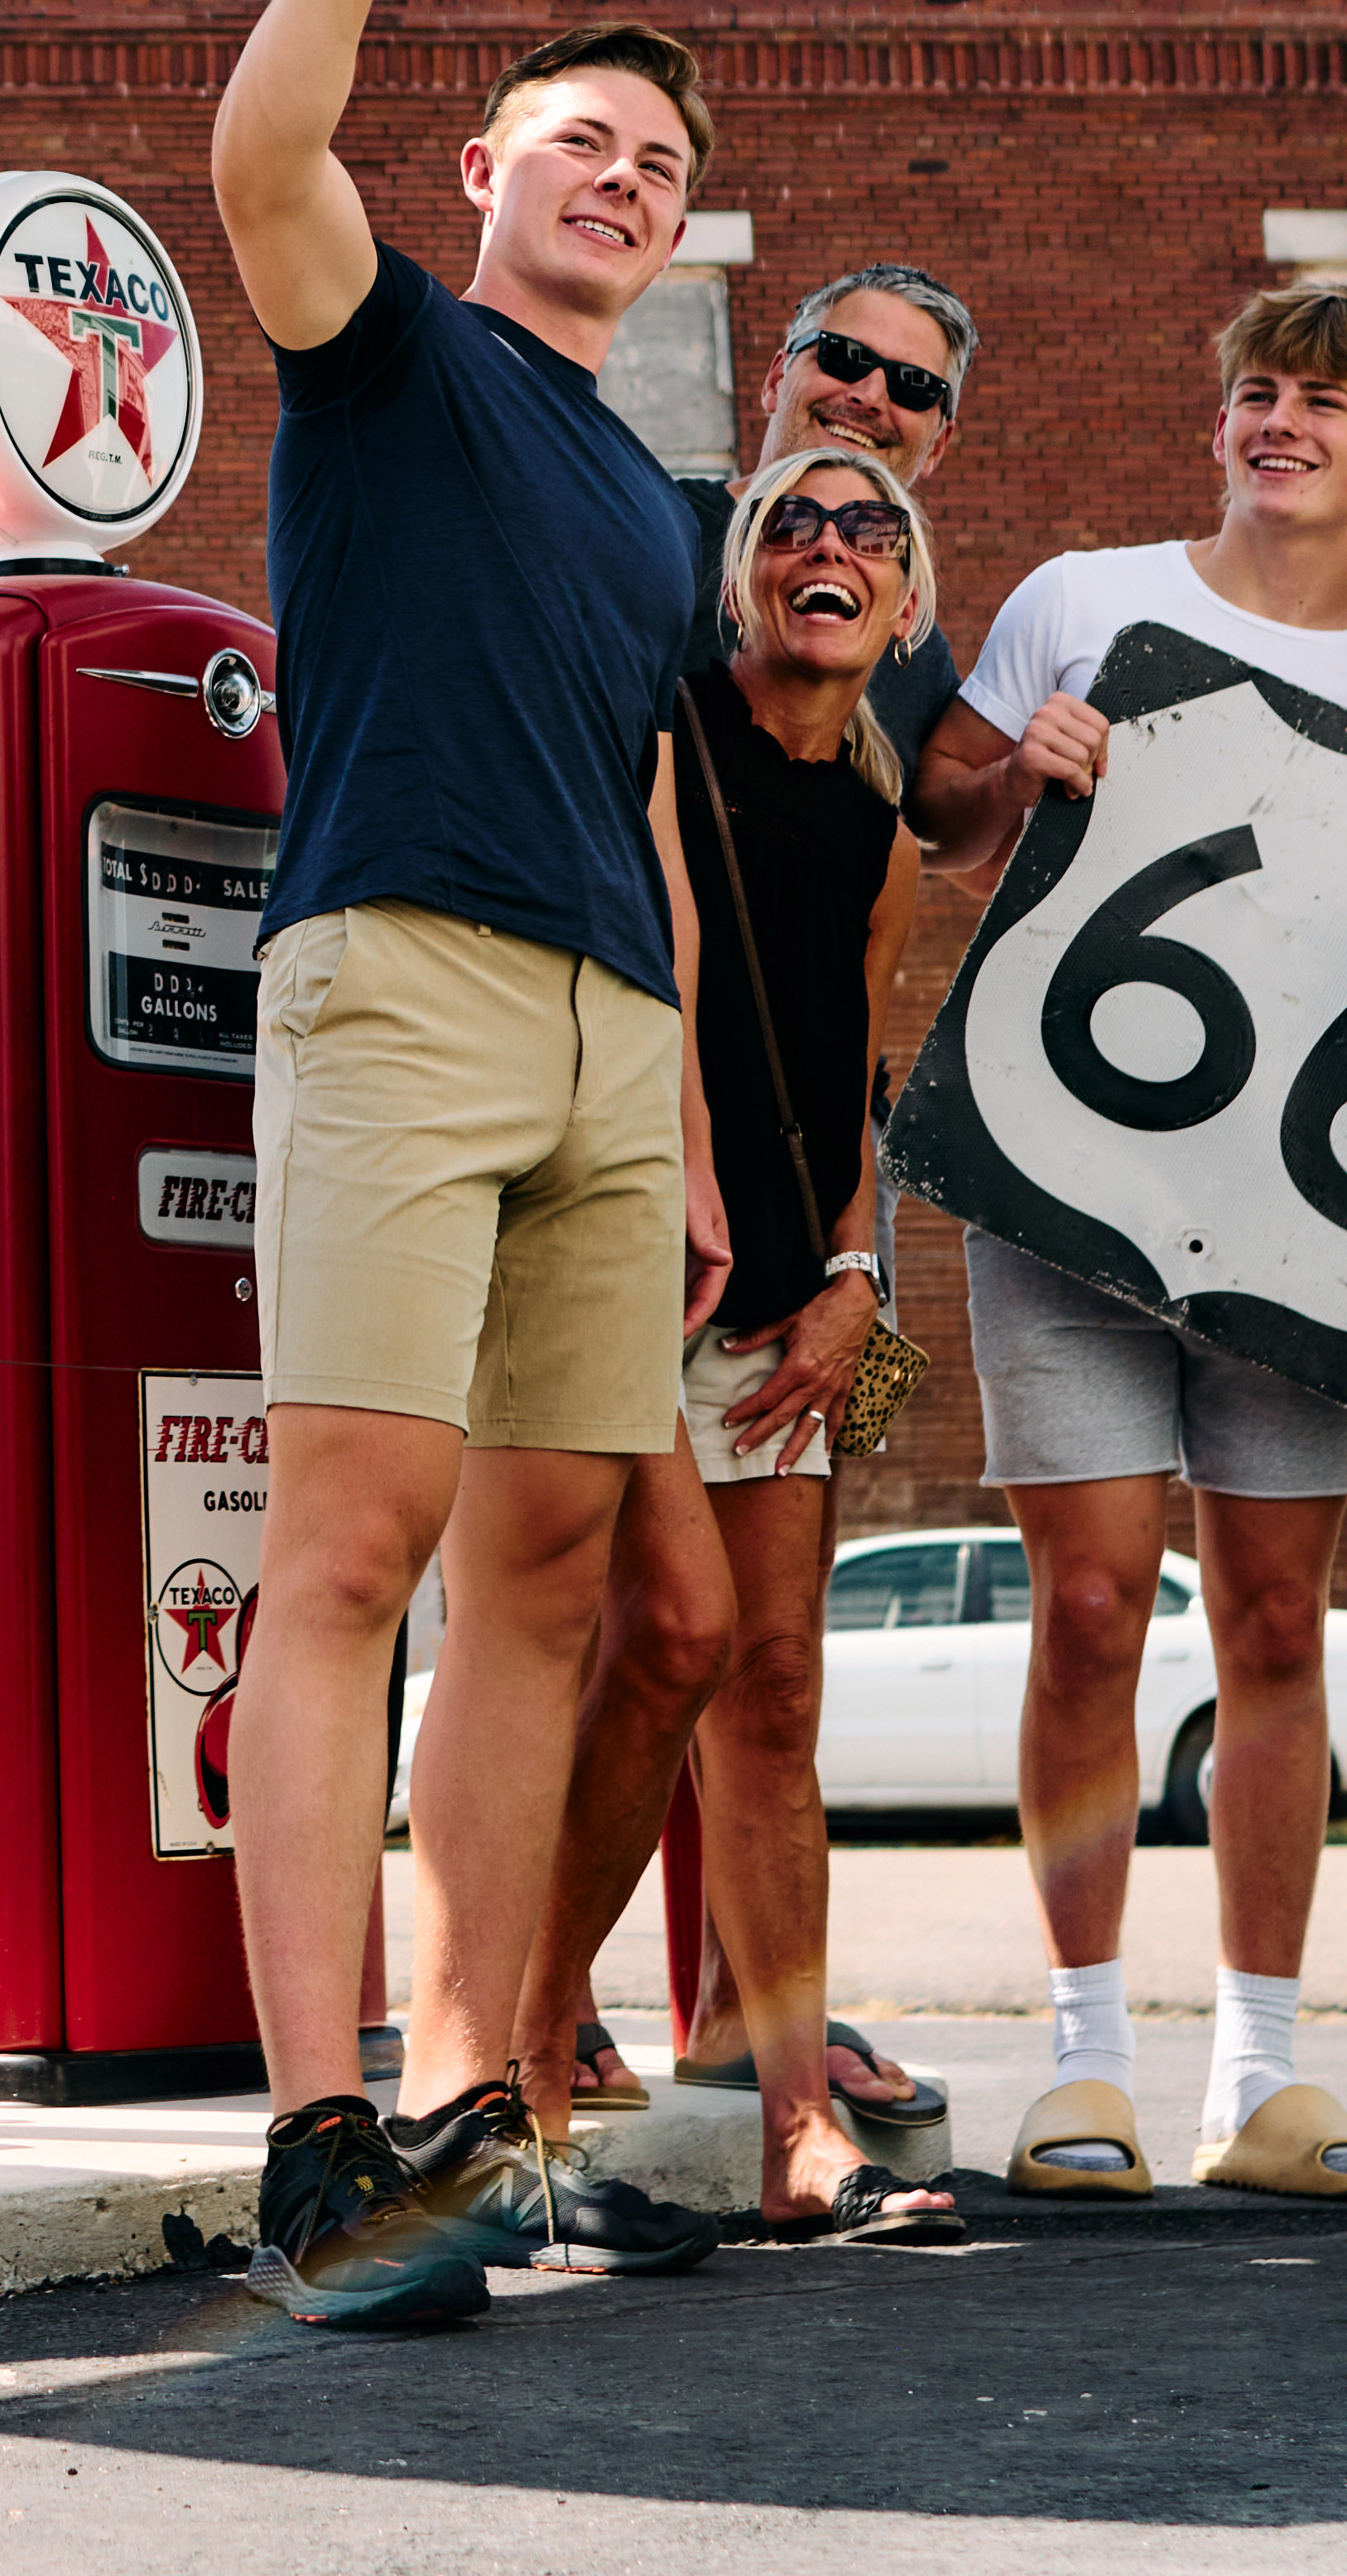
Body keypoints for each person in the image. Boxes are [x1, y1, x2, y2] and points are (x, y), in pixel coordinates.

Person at [200, 0, 735, 2325]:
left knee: (543, 1577)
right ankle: (311, 2141)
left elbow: (643, 789)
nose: (618, 179)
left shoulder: (657, 499)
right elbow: (257, 153)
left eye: (654, 163)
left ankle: (462, 2108)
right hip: (392, 973)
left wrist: (693, 1113)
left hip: (607, 1049)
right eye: (579, 140)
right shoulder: (388, 342)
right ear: (492, 166)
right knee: (351, 1549)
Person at [902, 284, 1347, 2200]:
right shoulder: (1085, 596)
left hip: (1306, 1211)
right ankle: (1081, 2066)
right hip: (1068, 1171)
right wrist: (1013, 772)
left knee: (1276, 1622)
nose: (1277, 423)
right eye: (1254, 393)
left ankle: (1264, 2077)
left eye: (1324, 402)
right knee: (1087, 1597)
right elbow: (935, 821)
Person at [519, 441, 969, 2241]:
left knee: (774, 1692)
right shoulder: (658, 736)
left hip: (788, 1305)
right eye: (796, 519)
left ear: (908, 603)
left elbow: (858, 1086)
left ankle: (798, 2129)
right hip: (629, 1272)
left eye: (874, 530)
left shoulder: (876, 837)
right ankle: (526, 2072)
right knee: (652, 1653)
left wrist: (863, 1272)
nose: (833, 546)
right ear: (741, 580)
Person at [676, 266, 984, 782]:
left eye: (913, 386)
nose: (868, 395)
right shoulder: (651, 526)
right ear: (776, 380)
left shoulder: (917, 655)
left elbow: (935, 833)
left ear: (939, 445)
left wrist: (1017, 774)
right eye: (843, 357)